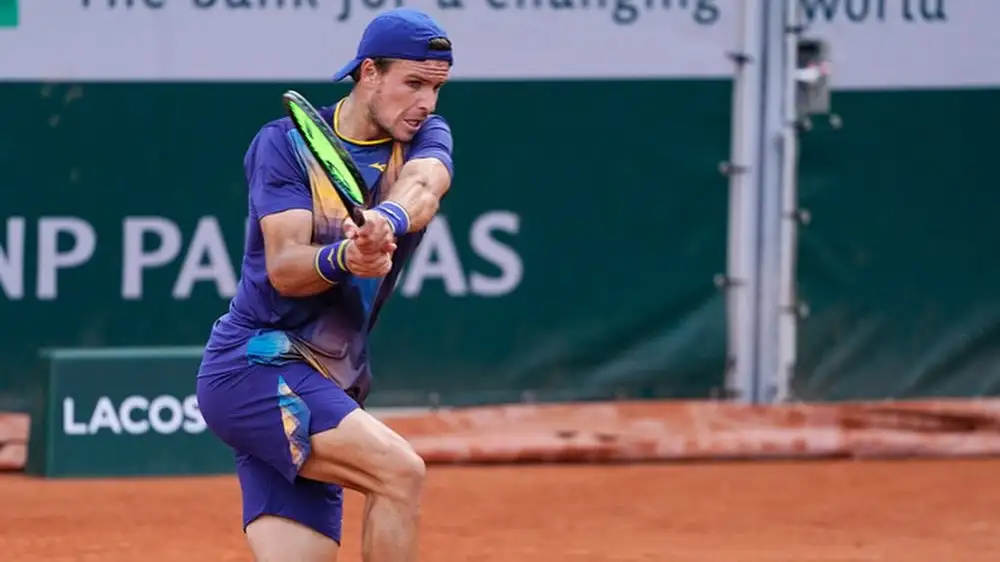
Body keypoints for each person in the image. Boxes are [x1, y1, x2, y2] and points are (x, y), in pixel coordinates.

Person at [195, 8, 455, 561]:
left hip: (334, 379)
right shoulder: (285, 144)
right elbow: (285, 267)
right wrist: (345, 256)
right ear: (369, 72)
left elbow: (425, 187)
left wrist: (385, 220)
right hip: (256, 366)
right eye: (413, 83)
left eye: (436, 87)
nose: (427, 103)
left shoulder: (424, 135)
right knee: (399, 473)